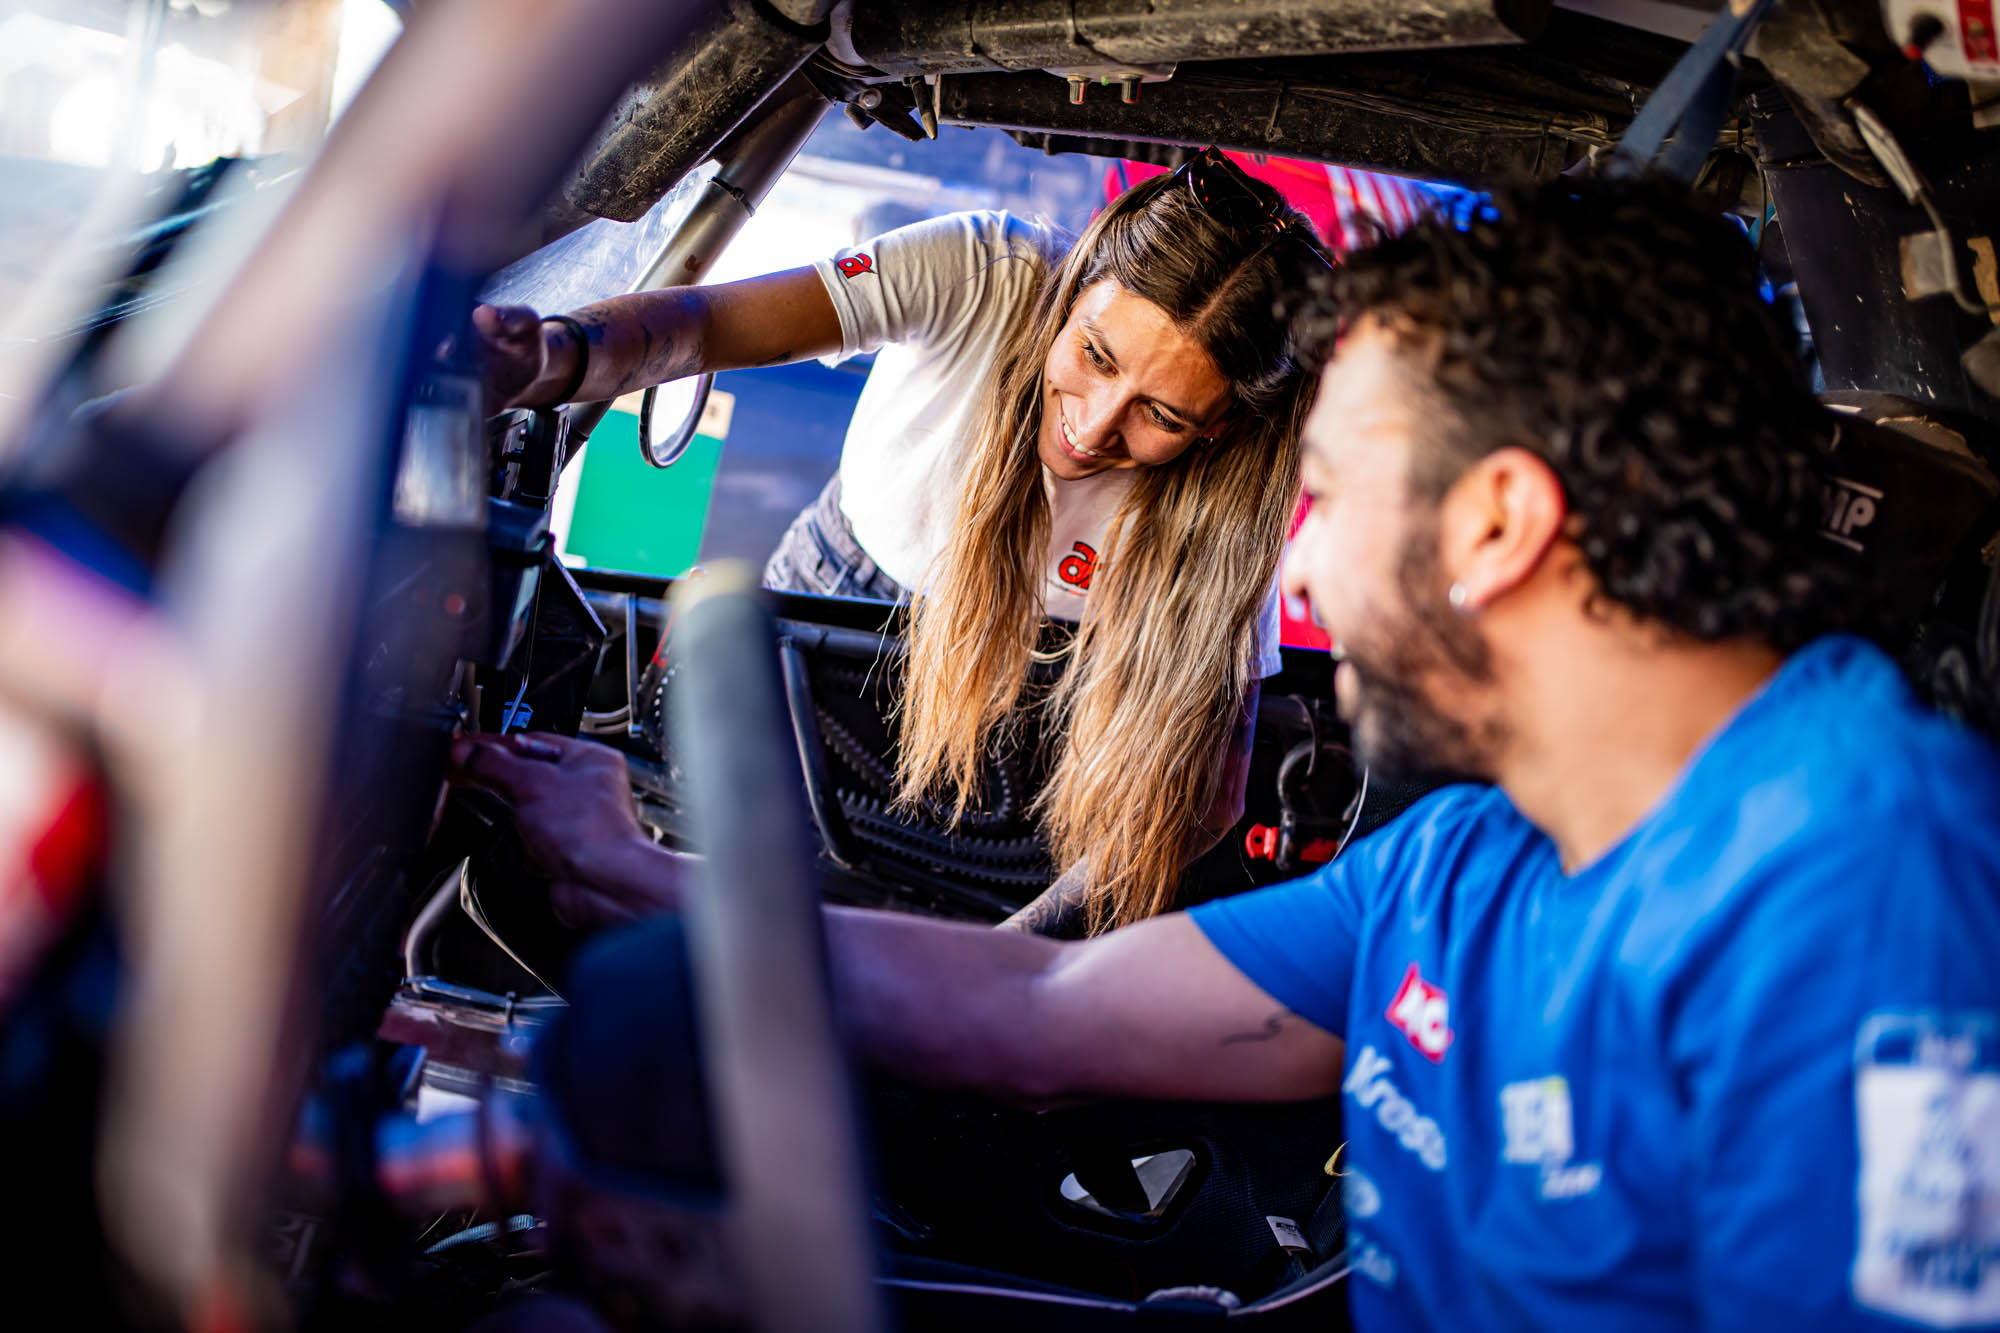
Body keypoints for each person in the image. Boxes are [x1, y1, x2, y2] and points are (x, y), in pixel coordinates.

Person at [457, 178, 2000, 1330]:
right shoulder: (1462, 862)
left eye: (1337, 498)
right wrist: (638, 874)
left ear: (1498, 524)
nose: (1303, 573)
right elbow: (1043, 1010)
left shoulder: (1858, 886)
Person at [475, 149, 1327, 937]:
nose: (1096, 425)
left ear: (1220, 429)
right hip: (827, 598)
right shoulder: (990, 271)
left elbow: (1199, 803)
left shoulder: (1232, 514)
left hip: (1038, 715)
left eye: (1162, 415)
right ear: (1076, 285)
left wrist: (1000, 969)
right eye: (1096, 355)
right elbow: (705, 322)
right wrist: (548, 357)